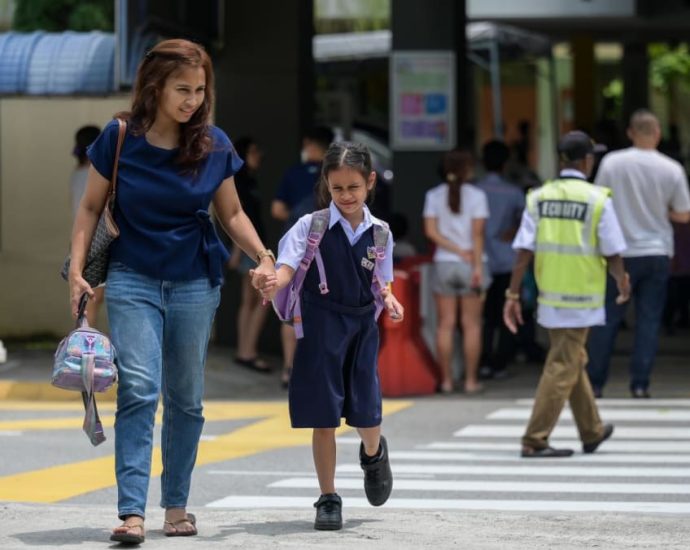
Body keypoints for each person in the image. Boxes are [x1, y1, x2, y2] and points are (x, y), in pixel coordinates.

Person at [67, 39, 275, 544]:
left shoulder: (213, 143)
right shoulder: (119, 138)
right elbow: (91, 208)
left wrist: (263, 256)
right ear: (155, 86)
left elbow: (231, 214)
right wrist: (77, 272)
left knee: (187, 399)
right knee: (139, 388)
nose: (193, 100)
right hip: (133, 276)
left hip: (194, 281)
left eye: (200, 90)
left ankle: (177, 506)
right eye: (183, 89)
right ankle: (131, 512)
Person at [257, 141, 404, 531]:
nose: (346, 196)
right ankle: (328, 497)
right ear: (326, 184)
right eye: (337, 188)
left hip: (362, 327)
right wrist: (273, 281)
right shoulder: (311, 226)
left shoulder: (380, 233)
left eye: (354, 187)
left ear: (370, 182)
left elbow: (381, 280)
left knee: (367, 411)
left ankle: (373, 455)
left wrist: (389, 299)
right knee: (323, 417)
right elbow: (287, 268)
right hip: (320, 326)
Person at [504, 130, 631, 458]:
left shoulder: (538, 197)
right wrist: (622, 280)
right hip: (582, 297)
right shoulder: (596, 198)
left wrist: (513, 295)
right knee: (563, 362)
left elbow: (522, 252)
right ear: (587, 161)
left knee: (573, 358)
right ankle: (535, 438)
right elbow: (613, 250)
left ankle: (592, 430)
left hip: (550, 296)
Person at [586, 110, 690, 398]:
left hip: (619, 251)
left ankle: (595, 383)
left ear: (631, 132)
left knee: (608, 316)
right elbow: (683, 215)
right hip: (657, 252)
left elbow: (598, 204)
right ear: (657, 133)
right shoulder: (672, 169)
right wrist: (660, 212)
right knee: (649, 319)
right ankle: (640, 383)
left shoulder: (612, 163)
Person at [423, 148, 491, 394]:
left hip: (444, 263)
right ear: (466, 169)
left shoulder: (433, 195)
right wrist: (475, 265)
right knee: (471, 325)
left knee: (446, 324)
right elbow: (478, 234)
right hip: (471, 264)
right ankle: (471, 381)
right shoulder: (477, 196)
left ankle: (447, 381)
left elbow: (430, 232)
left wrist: (453, 249)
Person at [271, 126, 334, 388]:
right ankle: (323, 368)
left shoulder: (294, 174)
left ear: (308, 143)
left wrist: (299, 227)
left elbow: (277, 210)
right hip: (328, 251)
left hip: (295, 252)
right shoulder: (335, 174)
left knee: (290, 308)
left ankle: (290, 367)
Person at [476, 140, 525, 380]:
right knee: (506, 313)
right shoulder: (513, 192)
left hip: (480, 260)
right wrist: (513, 229)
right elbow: (526, 223)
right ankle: (501, 362)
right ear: (506, 164)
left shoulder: (475, 190)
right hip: (507, 258)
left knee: (485, 316)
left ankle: (482, 360)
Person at [227, 136, 271, 373]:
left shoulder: (248, 181)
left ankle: (244, 350)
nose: (259, 155)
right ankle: (248, 351)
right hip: (251, 250)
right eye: (254, 151)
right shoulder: (241, 183)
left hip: (253, 249)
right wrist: (237, 251)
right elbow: (236, 217)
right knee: (262, 299)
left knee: (250, 300)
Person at [70, 125, 104, 325]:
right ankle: (84, 347)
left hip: (79, 240)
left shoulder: (77, 173)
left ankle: (83, 343)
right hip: (94, 241)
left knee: (88, 301)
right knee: (91, 300)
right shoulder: (94, 173)